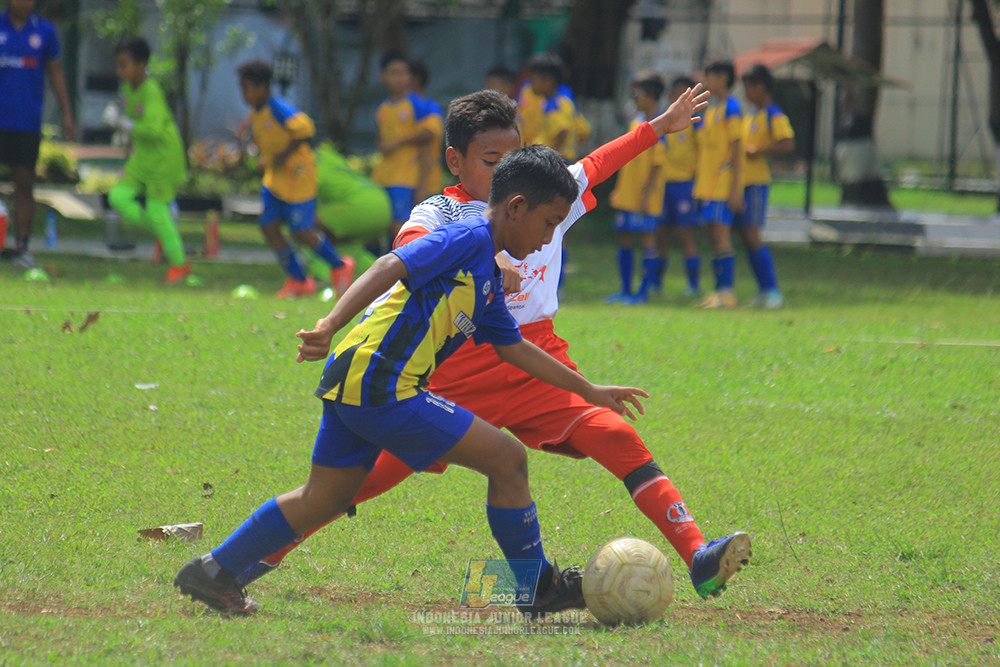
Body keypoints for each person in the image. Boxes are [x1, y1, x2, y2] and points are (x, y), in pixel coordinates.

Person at [241, 88, 753, 607]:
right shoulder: (443, 212)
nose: (505, 171)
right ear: (455, 161)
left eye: (512, 158)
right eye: (491, 161)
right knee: (357, 483)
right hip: (453, 372)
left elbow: (595, 165)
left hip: (537, 359)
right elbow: (409, 248)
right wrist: (487, 256)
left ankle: (698, 557)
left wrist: (658, 128)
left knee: (617, 435)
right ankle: (262, 555)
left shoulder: (541, 195)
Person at [173, 144, 649, 617]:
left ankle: (214, 571)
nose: (549, 239)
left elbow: (513, 348)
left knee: (325, 498)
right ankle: (537, 587)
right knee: (507, 458)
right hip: (382, 382)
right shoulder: (470, 238)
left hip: (355, 377)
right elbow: (390, 264)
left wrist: (588, 391)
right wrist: (329, 322)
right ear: (517, 207)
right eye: (548, 223)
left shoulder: (488, 269)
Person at [237, 60, 354, 299]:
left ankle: (340, 265)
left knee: (301, 231)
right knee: (268, 226)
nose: (244, 94)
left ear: (262, 88)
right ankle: (299, 280)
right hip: (275, 181)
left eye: (246, 88)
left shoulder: (278, 107)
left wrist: (281, 155)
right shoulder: (256, 113)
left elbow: (305, 129)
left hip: (298, 177)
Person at [103, 37, 190, 284]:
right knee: (117, 197)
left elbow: (152, 130)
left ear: (141, 65)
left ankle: (180, 265)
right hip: (143, 158)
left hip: (163, 158)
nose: (120, 71)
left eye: (124, 65)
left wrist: (122, 123)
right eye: (118, 65)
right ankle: (164, 229)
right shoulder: (130, 89)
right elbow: (136, 126)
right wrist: (122, 132)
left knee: (156, 209)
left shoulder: (151, 90)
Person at [0, 0, 74, 268]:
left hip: (26, 122)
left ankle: (22, 248)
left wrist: (67, 113)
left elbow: (56, 72)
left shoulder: (45, 31)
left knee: (24, 184)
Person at [606, 72, 669, 305]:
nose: (635, 98)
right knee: (623, 236)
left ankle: (643, 292)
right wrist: (619, 189)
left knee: (647, 239)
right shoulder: (635, 121)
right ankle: (625, 290)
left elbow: (657, 165)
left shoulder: (661, 125)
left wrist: (646, 194)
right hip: (627, 193)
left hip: (646, 197)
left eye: (638, 94)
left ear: (651, 96)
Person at [739, 63, 794, 309]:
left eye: (748, 88)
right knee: (746, 236)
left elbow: (788, 144)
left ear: (760, 87)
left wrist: (760, 150)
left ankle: (773, 291)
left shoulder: (774, 114)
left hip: (757, 183)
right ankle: (763, 290)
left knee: (753, 235)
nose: (746, 93)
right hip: (743, 182)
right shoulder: (751, 114)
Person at [693, 60, 743, 309]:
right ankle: (718, 289)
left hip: (723, 186)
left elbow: (736, 150)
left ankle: (727, 292)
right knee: (713, 236)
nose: (706, 82)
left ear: (723, 78)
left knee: (722, 236)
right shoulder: (712, 110)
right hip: (708, 186)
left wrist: (736, 188)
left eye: (710, 76)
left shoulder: (732, 108)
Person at [371, 52, 436, 240]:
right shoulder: (382, 108)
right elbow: (381, 139)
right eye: (393, 73)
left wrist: (398, 143)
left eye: (402, 73)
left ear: (410, 77)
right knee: (378, 227)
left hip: (406, 178)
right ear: (382, 76)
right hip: (382, 176)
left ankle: (401, 267)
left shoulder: (418, 105)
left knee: (399, 226)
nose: (398, 78)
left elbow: (429, 133)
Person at [657, 75, 702, 297]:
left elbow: (703, 153)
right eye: (674, 93)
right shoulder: (664, 121)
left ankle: (693, 284)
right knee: (660, 234)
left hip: (684, 184)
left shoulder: (696, 122)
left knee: (685, 235)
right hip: (663, 184)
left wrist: (698, 184)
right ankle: (656, 282)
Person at [408, 59, 445, 203]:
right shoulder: (392, 105)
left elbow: (429, 134)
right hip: (404, 180)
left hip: (426, 182)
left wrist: (397, 142)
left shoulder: (426, 107)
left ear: (415, 79)